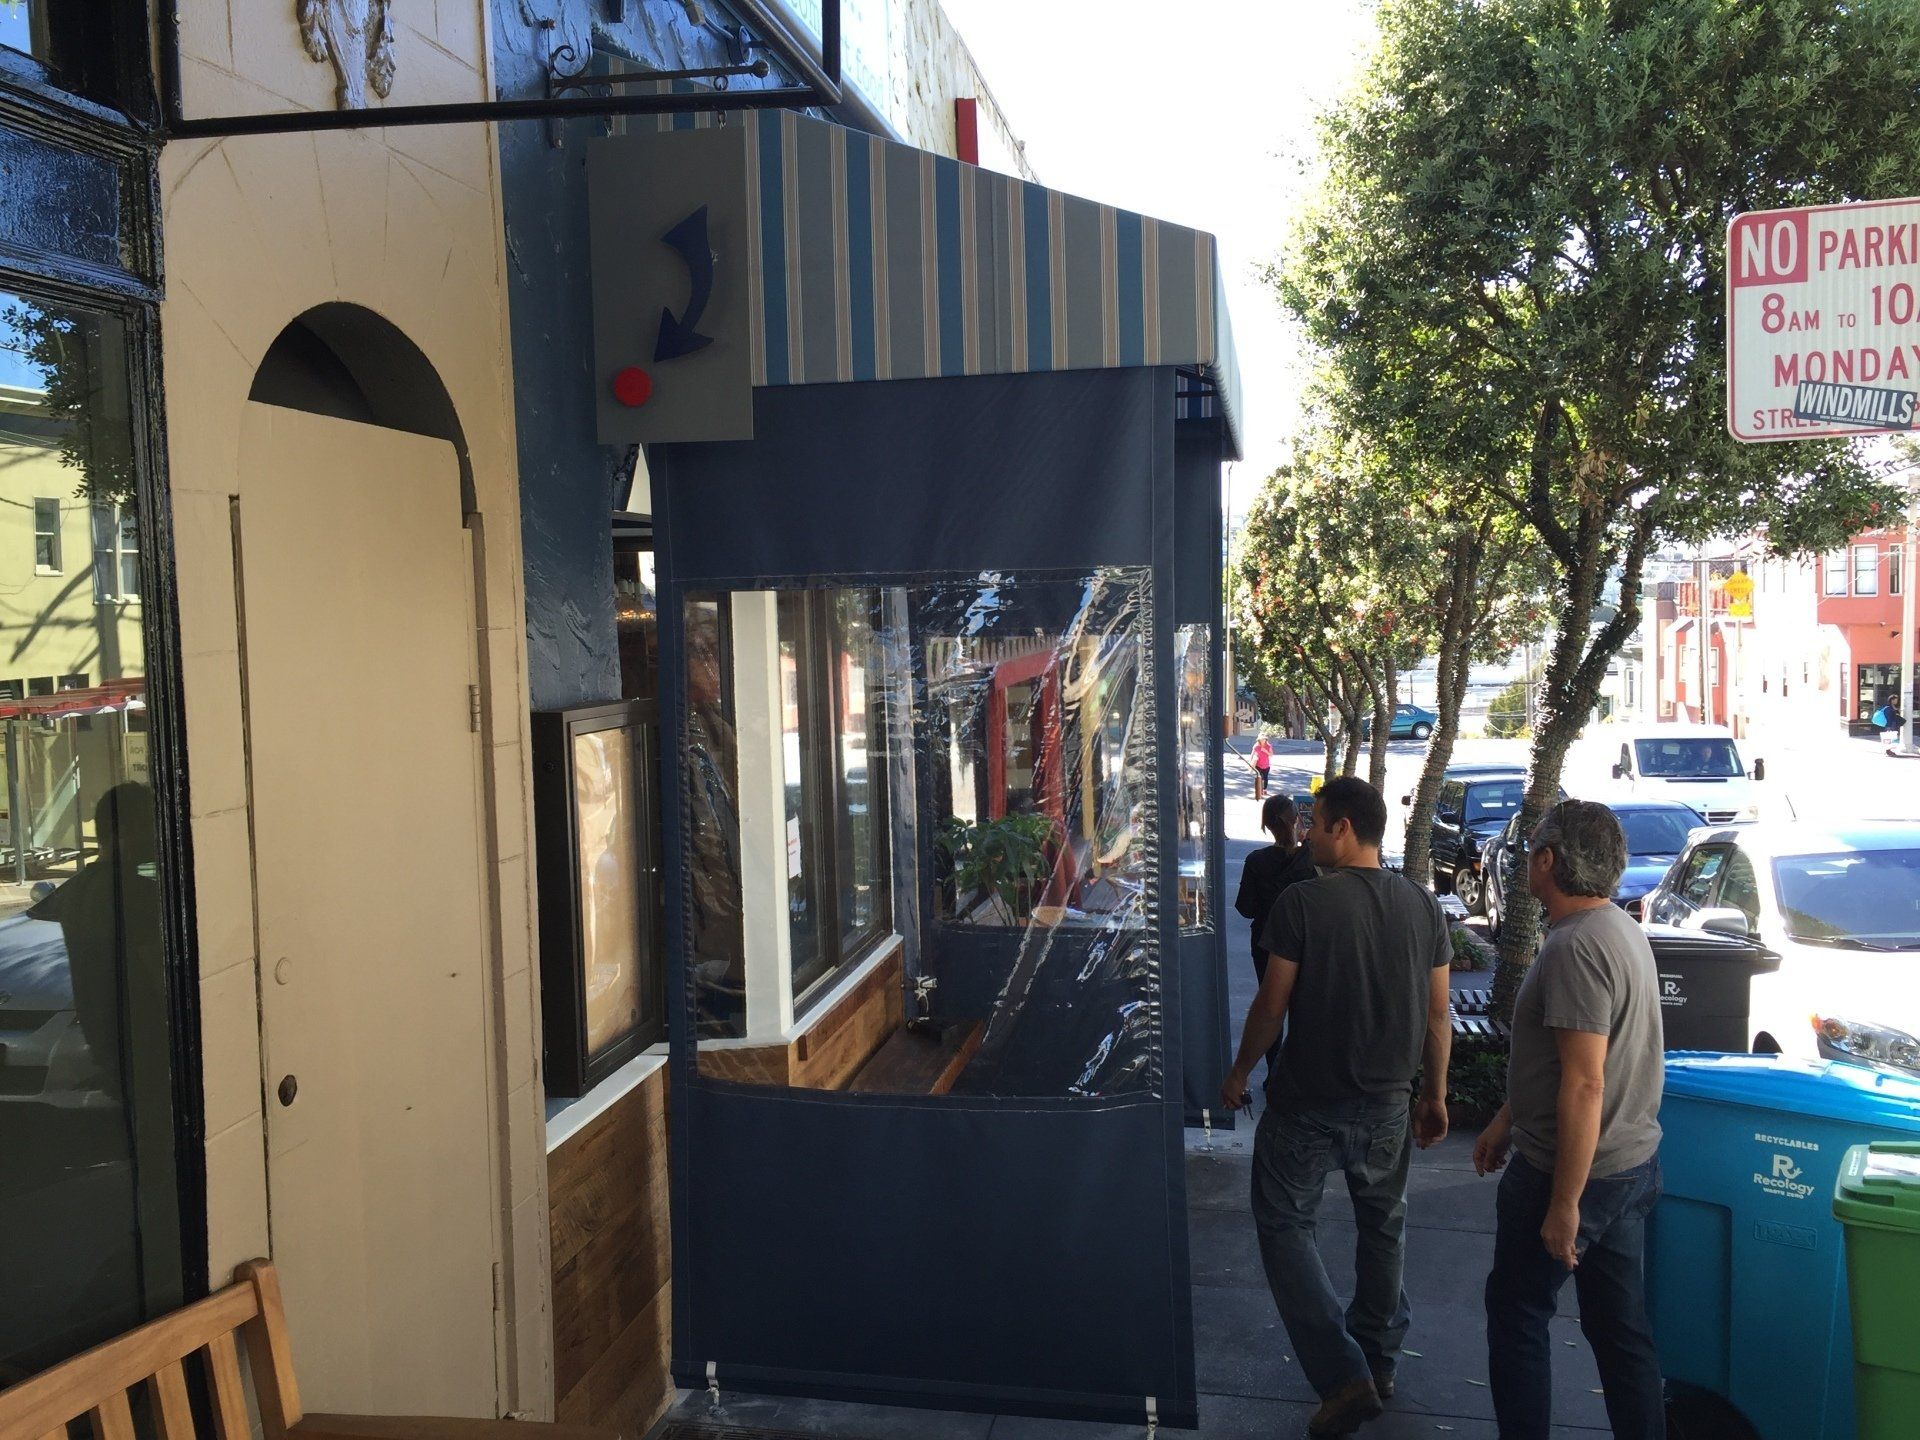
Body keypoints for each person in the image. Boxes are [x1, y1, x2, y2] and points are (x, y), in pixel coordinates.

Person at [1220, 777, 1454, 1438]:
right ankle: (1378, 1364)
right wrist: (1433, 1095)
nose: (1308, 834)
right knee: (1383, 1229)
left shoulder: (1304, 904)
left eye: (1317, 823)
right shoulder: (1422, 907)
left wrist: (1239, 1071)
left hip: (1306, 1109)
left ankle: (1342, 1375)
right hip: (1387, 1107)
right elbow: (1438, 1016)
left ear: (1344, 828)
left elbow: (1272, 1004)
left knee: (1285, 1224)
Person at [1475, 800, 1666, 1440]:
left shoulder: (1576, 950)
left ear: (1548, 862)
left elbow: (1585, 1083)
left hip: (1578, 1173)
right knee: (1619, 1331)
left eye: (1531, 850)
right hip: (1627, 1165)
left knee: (1518, 1314)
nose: (1525, 861)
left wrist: (1565, 1203)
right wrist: (1507, 1119)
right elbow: (1563, 1066)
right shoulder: (1618, 929)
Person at [1234, 794, 1316, 981]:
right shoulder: (1310, 859)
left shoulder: (1256, 860)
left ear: (1268, 825)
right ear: (1297, 820)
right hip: (1303, 941)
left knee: (1270, 1000)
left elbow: (1246, 908)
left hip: (1265, 940)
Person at [1252, 733, 1273, 800]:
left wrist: (1266, 751)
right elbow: (1252, 754)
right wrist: (1251, 762)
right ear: (1259, 740)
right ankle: (1259, 790)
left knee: (1265, 778)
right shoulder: (1256, 746)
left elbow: (1271, 755)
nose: (1263, 740)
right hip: (1258, 765)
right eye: (1261, 739)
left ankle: (1264, 789)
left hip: (1266, 765)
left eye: (1264, 739)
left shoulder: (1268, 746)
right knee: (1260, 777)